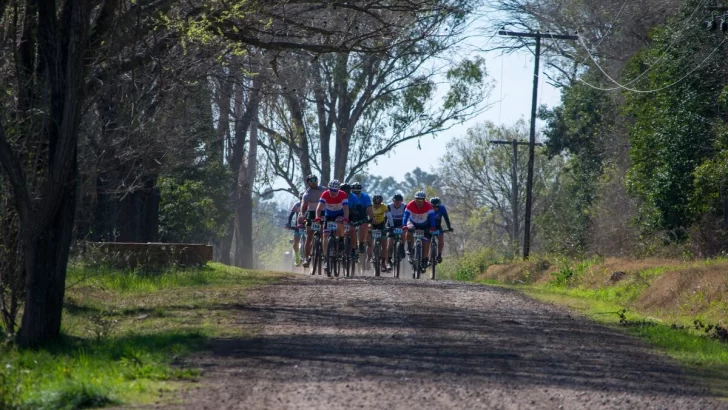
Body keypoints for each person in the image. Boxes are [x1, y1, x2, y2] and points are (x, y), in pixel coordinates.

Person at [314, 180, 350, 271]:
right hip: (329, 215)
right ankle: (326, 258)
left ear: (338, 190)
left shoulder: (342, 194)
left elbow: (346, 209)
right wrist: (317, 217)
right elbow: (318, 208)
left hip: (339, 214)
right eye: (331, 190)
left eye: (335, 190)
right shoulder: (325, 194)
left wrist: (345, 219)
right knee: (325, 235)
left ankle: (341, 239)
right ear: (328, 189)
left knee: (339, 222)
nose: (333, 192)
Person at [401, 190, 437, 268]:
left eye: (421, 200)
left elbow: (432, 217)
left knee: (426, 242)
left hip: (424, 224)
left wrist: (433, 227)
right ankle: (410, 247)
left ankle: (424, 259)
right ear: (415, 200)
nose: (419, 202)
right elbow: (405, 216)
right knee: (409, 230)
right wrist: (404, 225)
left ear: (424, 200)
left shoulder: (428, 206)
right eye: (417, 200)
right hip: (412, 223)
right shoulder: (410, 204)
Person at [300, 175, 327, 268]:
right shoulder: (306, 194)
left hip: (323, 212)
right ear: (308, 182)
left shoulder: (323, 189)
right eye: (312, 180)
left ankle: (326, 256)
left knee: (324, 233)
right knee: (309, 236)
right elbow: (303, 206)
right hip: (311, 214)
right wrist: (302, 215)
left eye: (315, 180)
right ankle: (306, 258)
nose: (314, 182)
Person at [347, 181, 374, 262]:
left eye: (358, 192)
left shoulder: (365, 196)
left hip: (361, 215)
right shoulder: (348, 196)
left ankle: (361, 243)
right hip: (350, 215)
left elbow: (369, 208)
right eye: (354, 192)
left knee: (365, 225)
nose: (356, 193)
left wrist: (371, 218)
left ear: (360, 191)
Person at [370, 194, 393, 272]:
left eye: (378, 203)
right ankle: (370, 256)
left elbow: (389, 216)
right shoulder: (370, 206)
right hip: (372, 224)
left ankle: (383, 263)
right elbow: (366, 216)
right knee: (369, 240)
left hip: (381, 225)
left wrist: (392, 225)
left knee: (384, 244)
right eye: (375, 203)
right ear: (373, 202)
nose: (377, 205)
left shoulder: (384, 206)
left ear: (381, 203)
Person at [430, 197, 453, 263]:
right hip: (429, 226)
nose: (434, 208)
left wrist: (449, 227)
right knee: (426, 239)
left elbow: (446, 218)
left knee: (441, 238)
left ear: (439, 205)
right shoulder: (428, 208)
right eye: (433, 206)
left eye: (436, 206)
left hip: (437, 226)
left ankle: (439, 255)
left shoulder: (442, 208)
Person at [285, 194, 304, 266]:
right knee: (295, 243)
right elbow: (291, 215)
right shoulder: (297, 205)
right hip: (298, 226)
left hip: (308, 226)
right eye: (302, 199)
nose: (303, 200)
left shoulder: (311, 205)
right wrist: (289, 224)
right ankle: (297, 258)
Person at [387, 193, 405, 267]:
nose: (397, 202)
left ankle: (402, 247)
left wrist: (404, 226)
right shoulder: (389, 207)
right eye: (395, 201)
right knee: (390, 243)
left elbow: (406, 217)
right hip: (391, 224)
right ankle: (389, 261)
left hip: (401, 224)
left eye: (399, 201)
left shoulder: (405, 207)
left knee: (404, 233)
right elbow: (387, 217)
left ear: (401, 201)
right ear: (393, 201)